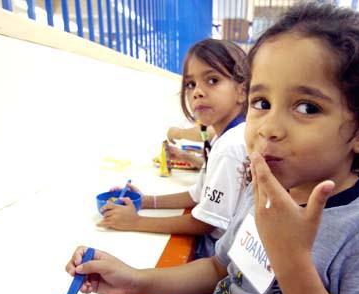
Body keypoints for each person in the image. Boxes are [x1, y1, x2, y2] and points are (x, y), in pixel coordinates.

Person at [68, 3, 359, 294]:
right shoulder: (266, 187)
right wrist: (135, 279)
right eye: (262, 103)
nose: (269, 128)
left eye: (306, 107)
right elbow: (220, 270)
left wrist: (293, 263)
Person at [99, 38, 249, 257]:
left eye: (213, 80)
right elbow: (196, 196)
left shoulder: (232, 145)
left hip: (218, 255)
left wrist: (136, 222)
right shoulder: (224, 138)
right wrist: (145, 201)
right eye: (191, 84)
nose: (197, 92)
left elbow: (205, 223)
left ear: (241, 91)